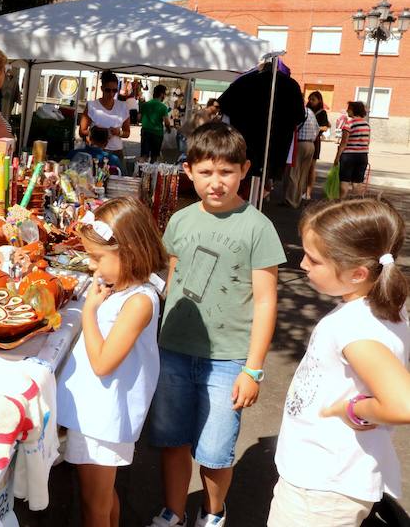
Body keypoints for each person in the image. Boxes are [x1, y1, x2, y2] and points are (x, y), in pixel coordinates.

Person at [146, 122, 286, 527]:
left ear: (245, 170)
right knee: (172, 440)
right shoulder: (180, 220)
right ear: (188, 171)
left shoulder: (257, 227)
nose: (216, 182)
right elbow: (173, 277)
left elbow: (266, 301)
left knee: (215, 451)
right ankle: (173, 512)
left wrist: (253, 369)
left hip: (228, 360)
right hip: (173, 350)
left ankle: (212, 513)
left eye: (226, 171)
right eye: (206, 172)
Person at [269, 198, 410, 526]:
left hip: (320, 489)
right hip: (328, 479)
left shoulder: (355, 326)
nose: (302, 264)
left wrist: (352, 409)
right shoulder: (377, 308)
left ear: (358, 273)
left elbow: (403, 404)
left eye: (314, 259)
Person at [56, 196, 167, 527]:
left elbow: (102, 363)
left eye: (97, 258)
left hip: (104, 419)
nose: (92, 266)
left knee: (95, 505)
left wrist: (89, 311)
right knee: (102, 498)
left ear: (129, 252)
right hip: (97, 412)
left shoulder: (138, 302)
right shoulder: (121, 290)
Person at [79, 71, 130, 171]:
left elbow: (127, 133)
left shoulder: (122, 106)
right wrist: (98, 132)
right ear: (102, 88)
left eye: (114, 90)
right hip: (96, 153)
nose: (111, 94)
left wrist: (118, 132)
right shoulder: (92, 106)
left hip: (116, 151)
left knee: (118, 178)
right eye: (108, 90)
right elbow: (82, 131)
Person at [283, 94, 320, 208]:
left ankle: (291, 200)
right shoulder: (310, 112)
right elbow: (317, 129)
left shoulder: (296, 112)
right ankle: (298, 200)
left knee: (293, 173)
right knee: (303, 174)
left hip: (299, 144)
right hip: (311, 144)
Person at [334, 101, 370, 198]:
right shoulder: (366, 125)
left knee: (344, 181)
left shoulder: (349, 124)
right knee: (357, 183)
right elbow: (367, 142)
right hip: (362, 156)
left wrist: (337, 158)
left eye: (349, 109)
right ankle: (358, 204)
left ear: (354, 110)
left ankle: (341, 203)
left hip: (348, 156)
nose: (347, 110)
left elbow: (343, 143)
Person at [303, 91, 329, 201]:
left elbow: (325, 127)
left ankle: (308, 191)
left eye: (313, 99)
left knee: (311, 167)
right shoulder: (305, 110)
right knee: (303, 167)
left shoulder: (322, 112)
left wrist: (315, 127)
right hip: (303, 139)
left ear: (319, 100)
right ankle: (301, 190)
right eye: (310, 99)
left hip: (315, 141)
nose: (311, 101)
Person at [139, 85, 171, 163]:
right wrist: (169, 129)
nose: (165, 96)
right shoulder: (163, 107)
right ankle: (152, 170)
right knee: (154, 157)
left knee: (144, 155)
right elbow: (166, 122)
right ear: (161, 94)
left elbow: (139, 118)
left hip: (145, 132)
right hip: (157, 134)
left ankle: (140, 169)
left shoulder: (145, 104)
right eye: (164, 94)